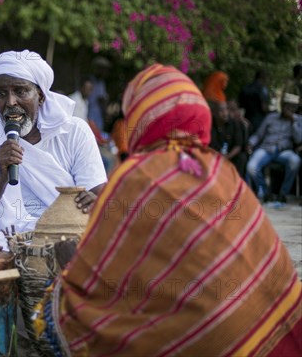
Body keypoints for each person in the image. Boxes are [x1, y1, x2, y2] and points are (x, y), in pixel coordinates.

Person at [33, 64, 302, 356]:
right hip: (268, 339)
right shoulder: (223, 172)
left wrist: (70, 266)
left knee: (55, 309)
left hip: (194, 342)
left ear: (137, 118)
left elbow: (101, 277)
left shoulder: (137, 176)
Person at [0, 50, 107, 248]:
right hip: (4, 239)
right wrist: (0, 178)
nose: (10, 102)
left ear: (41, 96)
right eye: (2, 93)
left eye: (20, 91)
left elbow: (101, 199)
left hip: (61, 236)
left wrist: (96, 203)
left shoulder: (74, 130)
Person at [246, 93, 302, 202]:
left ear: (295, 108)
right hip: (266, 148)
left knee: (295, 161)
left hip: (284, 151)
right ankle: (265, 192)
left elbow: (299, 139)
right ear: (283, 105)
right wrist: (250, 143)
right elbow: (258, 135)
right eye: (287, 106)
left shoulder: (299, 120)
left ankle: (283, 193)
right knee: (251, 167)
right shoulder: (271, 117)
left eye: (292, 106)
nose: (289, 108)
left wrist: (293, 122)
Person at [209, 100, 246, 177]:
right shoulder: (211, 125)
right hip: (215, 155)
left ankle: (237, 182)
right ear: (214, 113)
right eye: (221, 110)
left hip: (230, 155)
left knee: (242, 158)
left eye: (226, 109)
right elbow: (211, 144)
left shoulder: (234, 124)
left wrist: (227, 156)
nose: (225, 113)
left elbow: (238, 145)